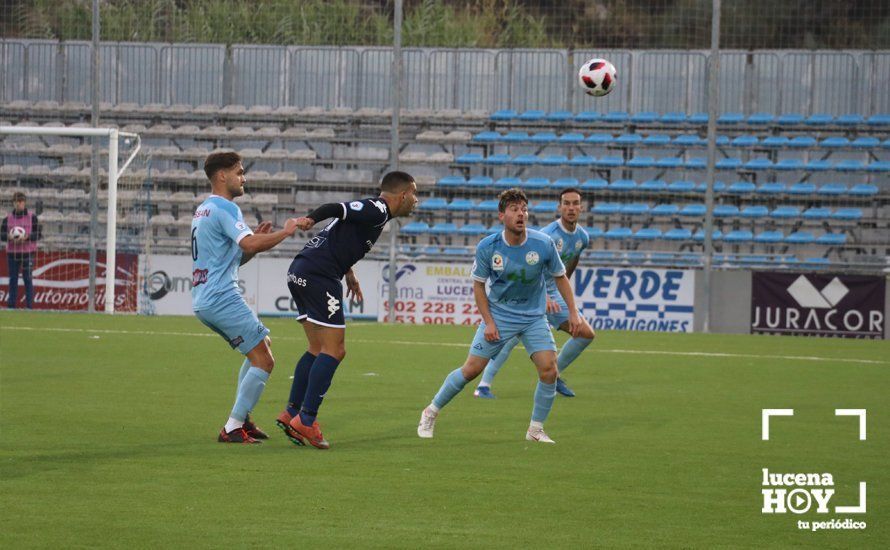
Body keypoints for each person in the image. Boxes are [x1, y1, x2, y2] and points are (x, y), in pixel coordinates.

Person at [418, 188, 582, 444]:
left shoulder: (542, 243)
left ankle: (535, 429)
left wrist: (573, 312)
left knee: (549, 370)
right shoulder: (488, 246)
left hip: (533, 317)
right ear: (501, 216)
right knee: (471, 370)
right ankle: (431, 411)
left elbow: (560, 278)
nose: (521, 214)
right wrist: (490, 322)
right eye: (514, 209)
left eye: (524, 209)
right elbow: (478, 285)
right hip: (500, 316)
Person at [277, 171, 418, 449]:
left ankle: (292, 412)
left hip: (301, 270)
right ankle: (306, 420)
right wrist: (310, 219)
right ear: (402, 195)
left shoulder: (376, 215)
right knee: (335, 350)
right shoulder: (377, 209)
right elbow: (336, 209)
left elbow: (341, 233)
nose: (416, 200)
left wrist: (348, 272)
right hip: (319, 276)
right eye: (414, 194)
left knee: (317, 348)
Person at [191, 151, 300, 444]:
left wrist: (252, 247)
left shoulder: (203, 210)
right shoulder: (226, 209)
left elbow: (235, 258)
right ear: (222, 176)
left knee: (260, 345)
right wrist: (284, 232)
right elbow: (249, 241)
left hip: (205, 298)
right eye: (239, 172)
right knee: (264, 360)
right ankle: (233, 427)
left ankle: (244, 417)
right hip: (221, 296)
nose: (244, 178)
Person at [474, 187, 596, 399]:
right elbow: (530, 263)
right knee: (509, 338)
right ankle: (483, 385)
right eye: (566, 203)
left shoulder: (582, 237)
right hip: (537, 294)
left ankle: (554, 375)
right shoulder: (548, 235)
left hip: (552, 295)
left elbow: (569, 264)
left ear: (581, 207)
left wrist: (559, 289)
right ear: (559, 207)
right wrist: (546, 295)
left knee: (585, 334)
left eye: (575, 203)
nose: (571, 208)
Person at [2, 192, 41, 309]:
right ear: (14, 203)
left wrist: (27, 237)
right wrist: (9, 237)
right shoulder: (7, 219)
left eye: (21, 201)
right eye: (17, 202)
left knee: (28, 279)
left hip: (27, 253)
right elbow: (2, 235)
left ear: (24, 203)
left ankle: (29, 307)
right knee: (13, 279)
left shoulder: (32, 217)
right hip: (12, 253)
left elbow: (38, 234)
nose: (19, 204)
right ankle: (11, 306)